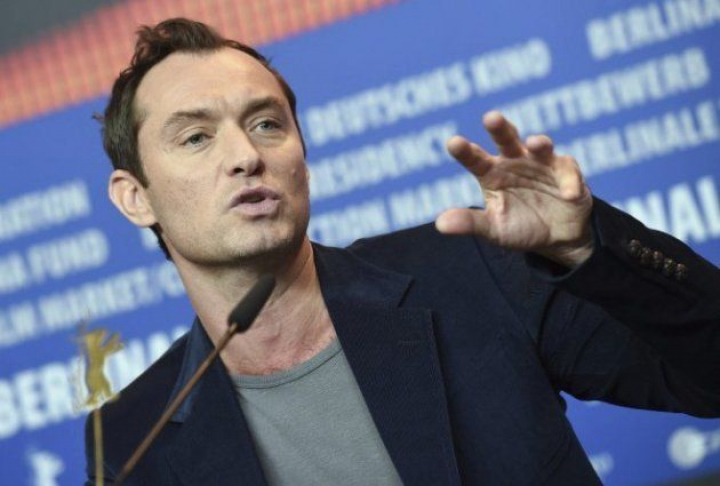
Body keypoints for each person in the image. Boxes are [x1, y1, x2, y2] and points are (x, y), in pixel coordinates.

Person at [85, 17, 720, 486]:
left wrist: (584, 247)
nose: (246, 156)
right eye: (196, 137)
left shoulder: (473, 276)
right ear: (135, 198)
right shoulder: (131, 442)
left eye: (267, 124)